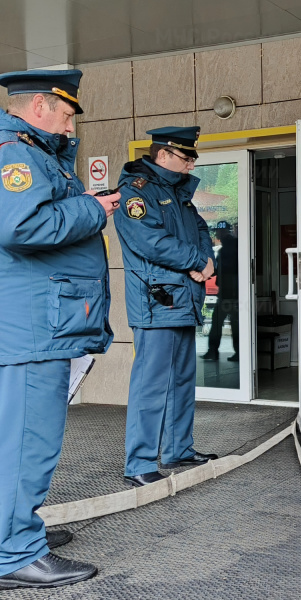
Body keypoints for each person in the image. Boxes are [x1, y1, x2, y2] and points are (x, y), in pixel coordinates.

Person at [0, 69, 120, 589]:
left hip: (40, 323)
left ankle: (17, 532)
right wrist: (92, 207)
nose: (71, 126)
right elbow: (21, 226)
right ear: (41, 107)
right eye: (67, 114)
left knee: (20, 439)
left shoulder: (35, 152)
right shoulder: (15, 155)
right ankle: (14, 553)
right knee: (29, 441)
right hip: (32, 328)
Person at [114, 126, 218, 488]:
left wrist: (204, 258)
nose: (191, 164)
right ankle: (140, 463)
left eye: (192, 158)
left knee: (182, 380)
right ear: (163, 155)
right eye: (185, 157)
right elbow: (150, 241)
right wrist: (193, 258)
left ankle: (177, 449)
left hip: (182, 299)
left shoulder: (179, 196)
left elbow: (202, 230)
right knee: (152, 384)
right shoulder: (135, 193)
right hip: (156, 301)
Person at [202, 221, 239, 362]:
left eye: (218, 231)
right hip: (229, 293)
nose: (217, 234)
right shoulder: (230, 247)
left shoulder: (228, 249)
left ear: (223, 232)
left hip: (230, 294)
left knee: (220, 323)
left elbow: (224, 270)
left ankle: (213, 351)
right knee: (231, 324)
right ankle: (216, 351)